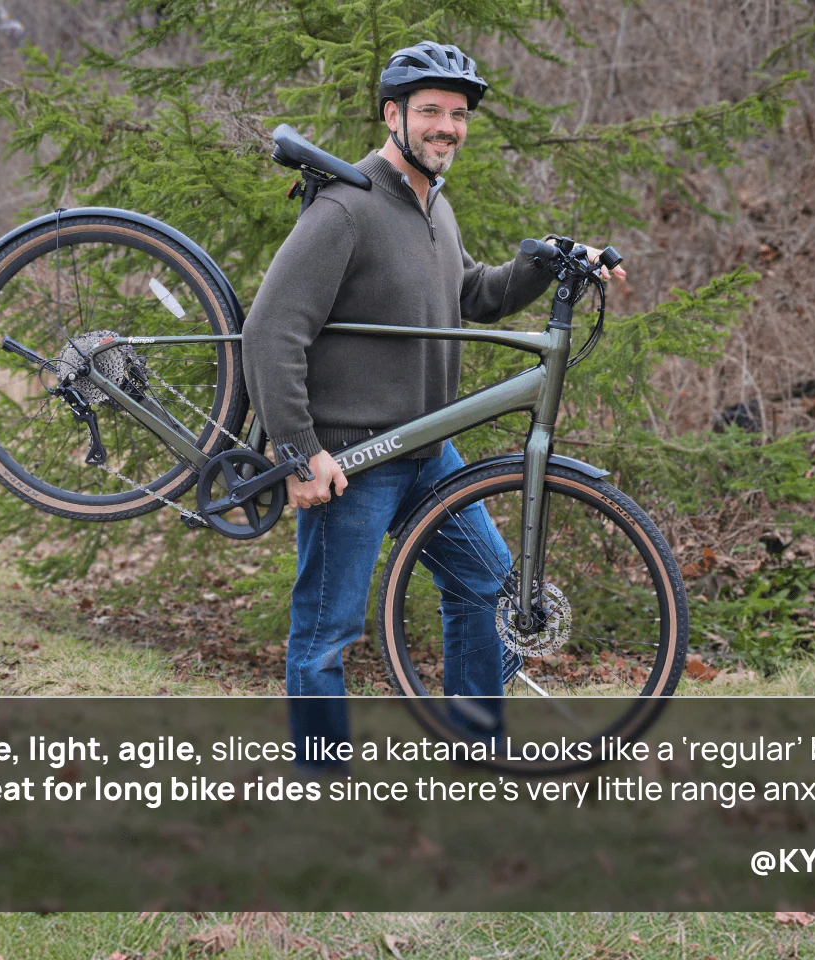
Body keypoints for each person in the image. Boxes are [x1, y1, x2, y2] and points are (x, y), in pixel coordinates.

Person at [241, 41, 626, 754]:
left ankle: (476, 746)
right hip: (353, 458)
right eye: (430, 112)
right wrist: (299, 452)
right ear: (393, 115)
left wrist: (552, 262)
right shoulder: (346, 208)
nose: (447, 127)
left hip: (428, 451)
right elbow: (270, 332)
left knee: (488, 586)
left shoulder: (433, 205)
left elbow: (472, 293)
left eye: (458, 114)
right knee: (327, 632)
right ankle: (321, 778)